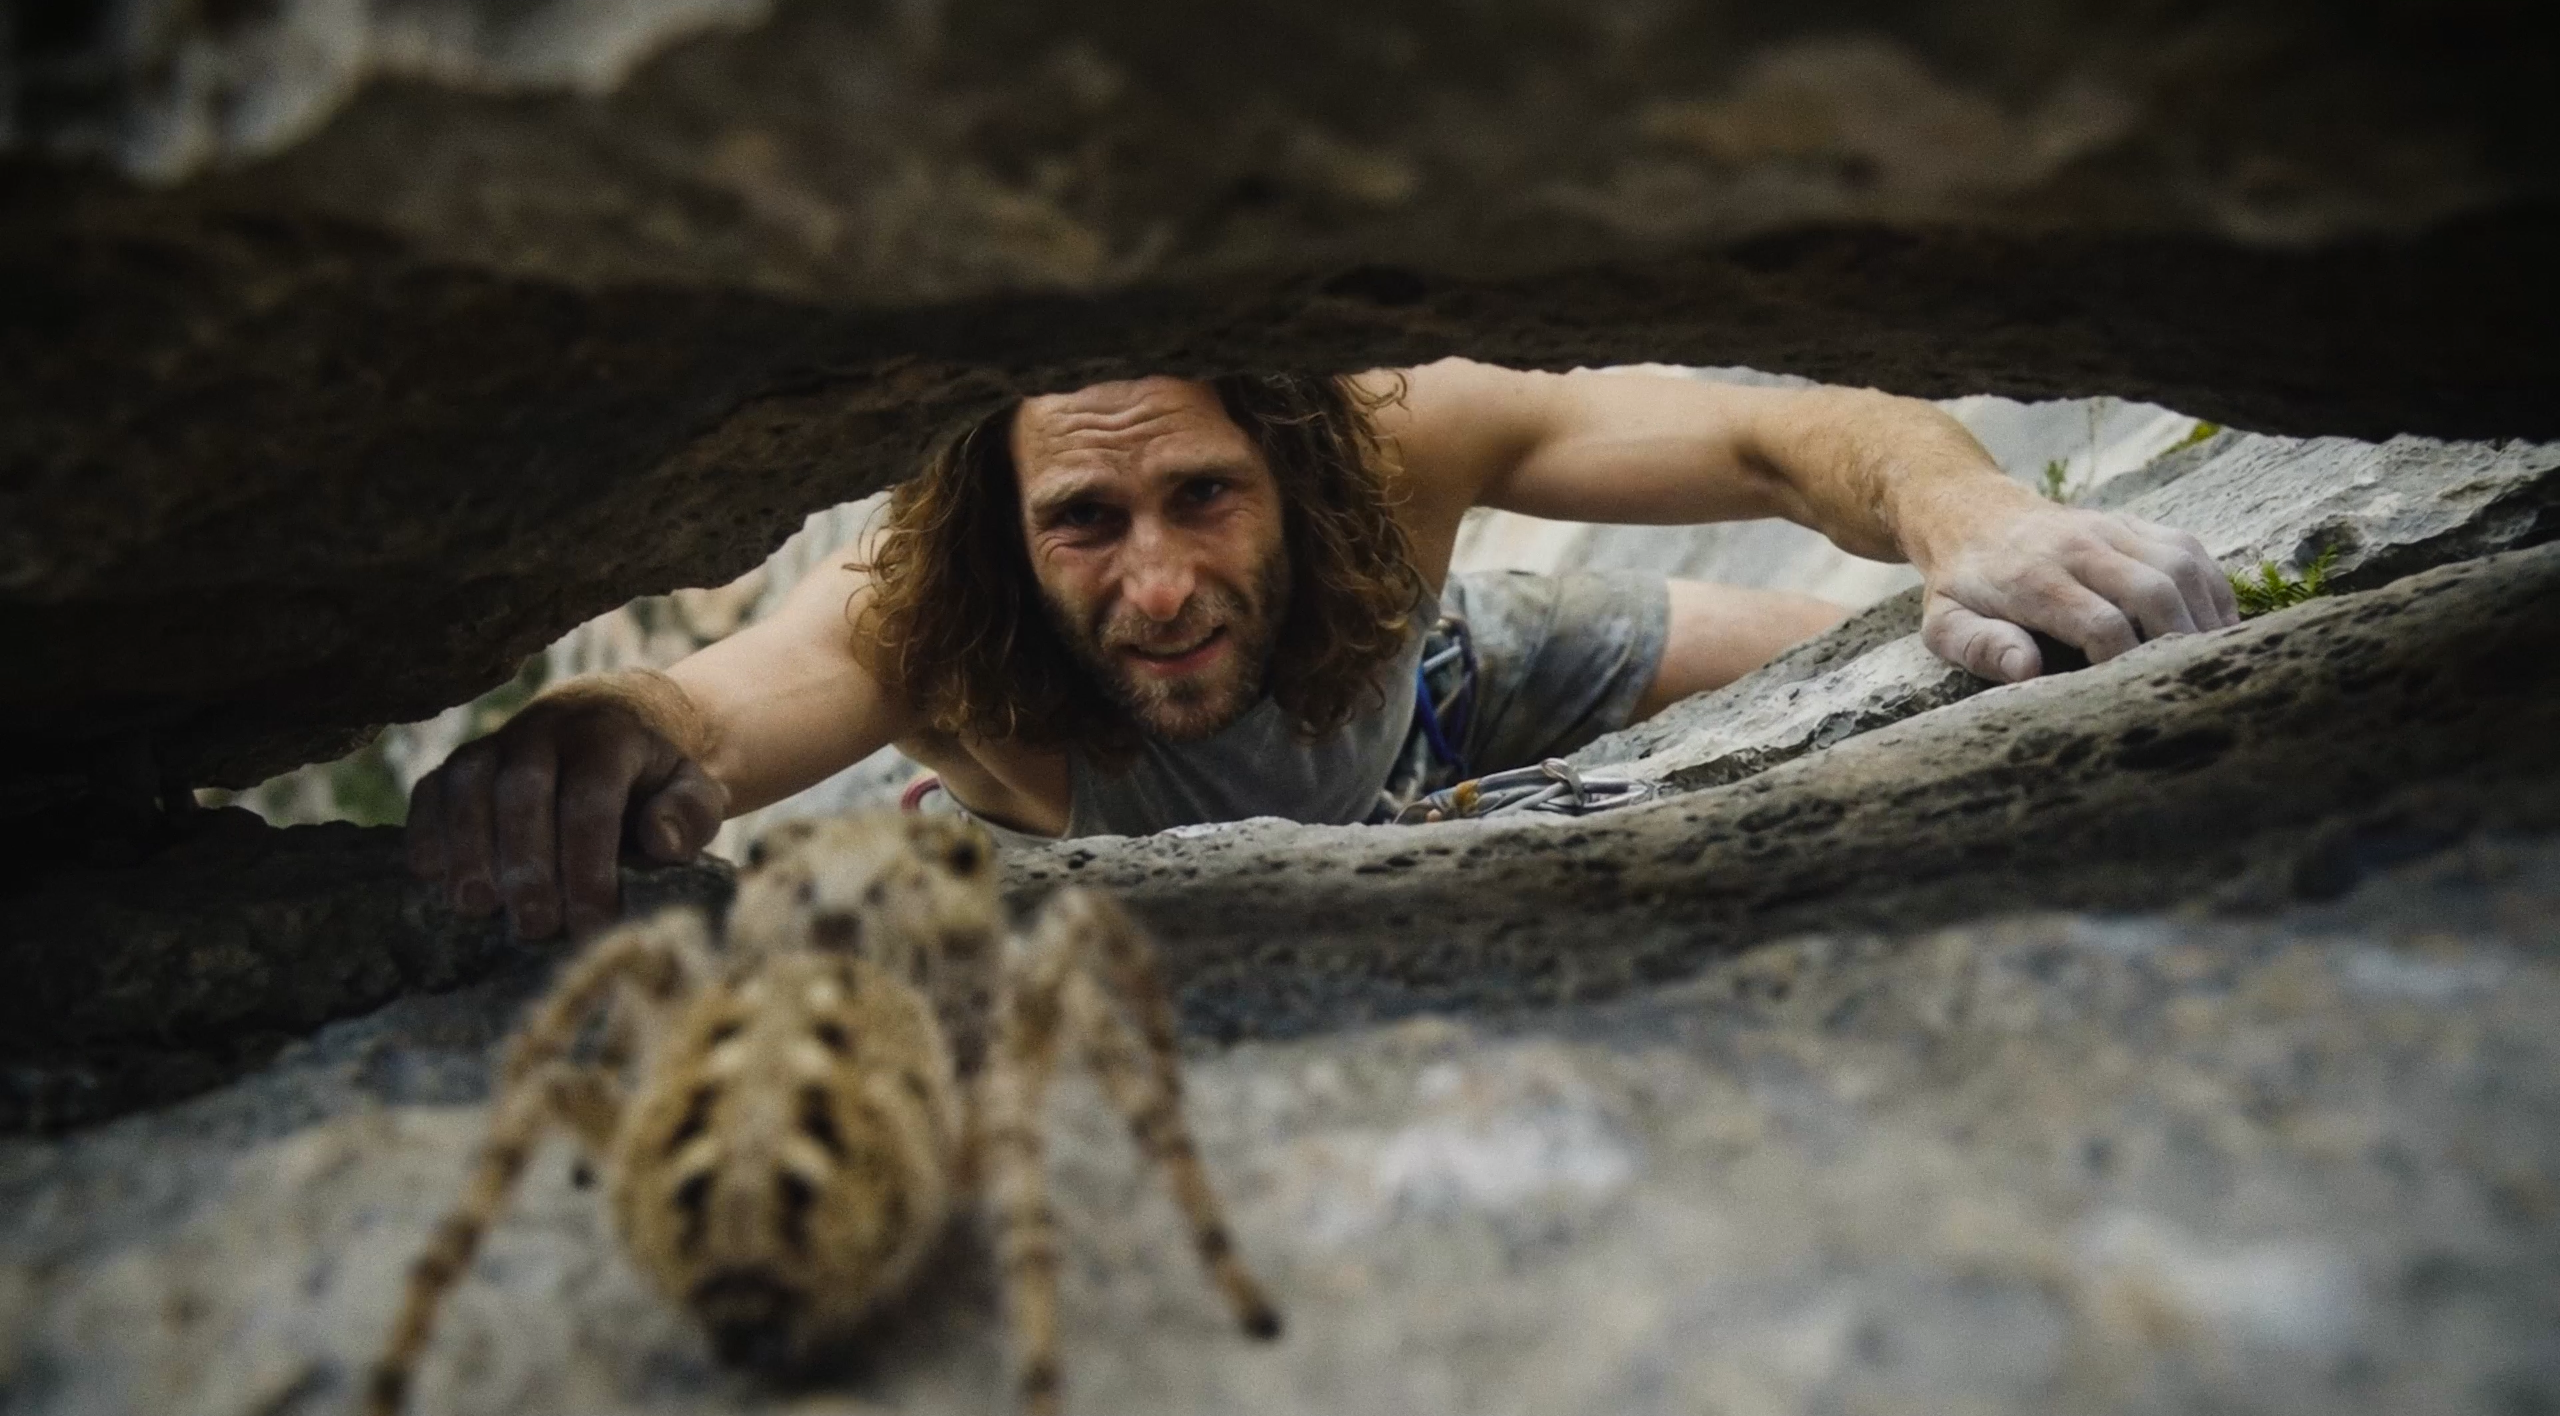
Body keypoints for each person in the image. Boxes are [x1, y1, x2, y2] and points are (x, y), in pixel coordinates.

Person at [406, 360, 2237, 940]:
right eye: (1086, 521)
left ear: (1293, 469)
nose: (1157, 586)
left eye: (1203, 497)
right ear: (1009, 531)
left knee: (1901, 656)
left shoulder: (1399, 438)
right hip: (1097, 855)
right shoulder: (932, 618)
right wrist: (611, 722)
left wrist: (1967, 518)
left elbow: (1775, 433)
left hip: (1437, 682)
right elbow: (715, 710)